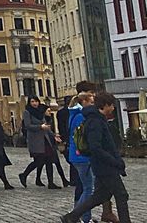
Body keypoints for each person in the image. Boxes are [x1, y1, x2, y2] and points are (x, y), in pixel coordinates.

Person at [61, 92, 131, 223]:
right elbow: (96, 147)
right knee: (121, 195)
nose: (113, 108)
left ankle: (71, 217)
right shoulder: (95, 121)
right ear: (105, 106)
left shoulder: (96, 119)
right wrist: (114, 161)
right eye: (111, 105)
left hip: (102, 165)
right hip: (105, 166)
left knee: (100, 196)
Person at [20, 98, 66, 187]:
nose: (35, 103)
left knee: (49, 160)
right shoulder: (27, 112)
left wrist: (54, 136)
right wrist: (40, 127)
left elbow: (46, 127)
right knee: (39, 161)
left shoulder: (40, 112)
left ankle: (51, 183)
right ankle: (24, 174)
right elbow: (28, 126)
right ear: (29, 103)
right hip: (35, 140)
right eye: (32, 101)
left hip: (45, 139)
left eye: (36, 101)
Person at [67, 90, 94, 223]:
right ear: (84, 102)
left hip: (76, 155)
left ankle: (82, 217)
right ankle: (77, 215)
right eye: (91, 102)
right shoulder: (81, 116)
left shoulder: (73, 114)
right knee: (89, 188)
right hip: (82, 156)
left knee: (86, 187)